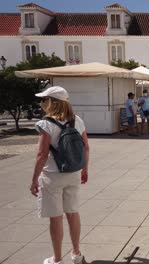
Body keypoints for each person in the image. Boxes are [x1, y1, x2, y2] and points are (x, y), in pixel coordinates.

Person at [31, 86, 89, 264]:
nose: (42, 104)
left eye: (44, 100)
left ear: (52, 103)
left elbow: (42, 155)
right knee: (73, 213)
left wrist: (34, 179)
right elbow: (86, 146)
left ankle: (57, 259)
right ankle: (76, 254)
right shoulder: (77, 121)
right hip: (73, 173)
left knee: (56, 217)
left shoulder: (46, 124)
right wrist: (85, 169)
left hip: (53, 176)